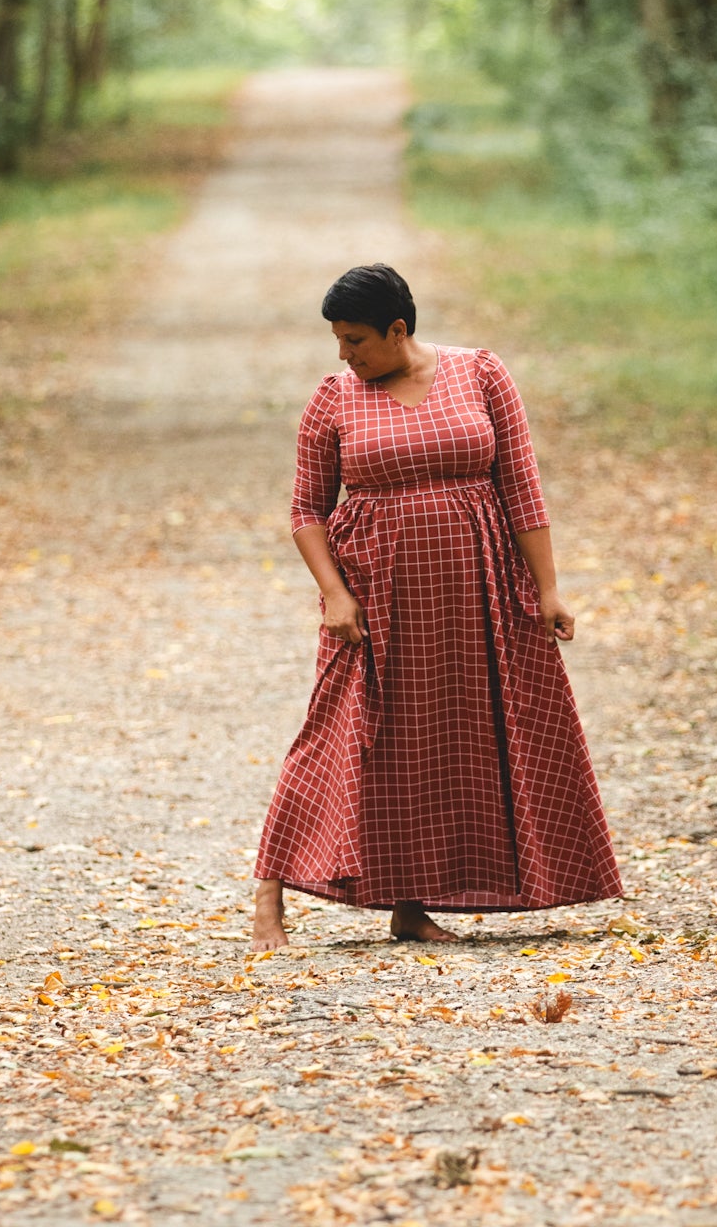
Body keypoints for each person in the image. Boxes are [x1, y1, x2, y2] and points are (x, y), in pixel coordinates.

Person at [252, 263, 620, 950]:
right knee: (339, 732)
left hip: (477, 591)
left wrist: (547, 589)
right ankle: (268, 896)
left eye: (356, 339)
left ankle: (410, 906)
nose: (344, 354)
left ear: (397, 330)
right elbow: (305, 509)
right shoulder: (332, 399)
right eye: (337, 339)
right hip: (375, 600)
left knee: (450, 742)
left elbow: (521, 487)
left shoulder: (480, 374)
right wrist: (334, 595)